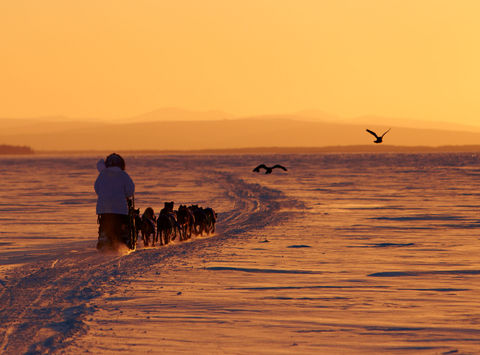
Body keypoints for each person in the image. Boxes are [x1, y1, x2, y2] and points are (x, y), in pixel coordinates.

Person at [94, 153, 135, 250]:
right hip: (120, 208)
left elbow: (97, 188)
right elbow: (130, 191)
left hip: (104, 208)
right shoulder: (123, 175)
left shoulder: (102, 174)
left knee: (104, 222)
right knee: (123, 224)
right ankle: (124, 238)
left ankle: (104, 236)